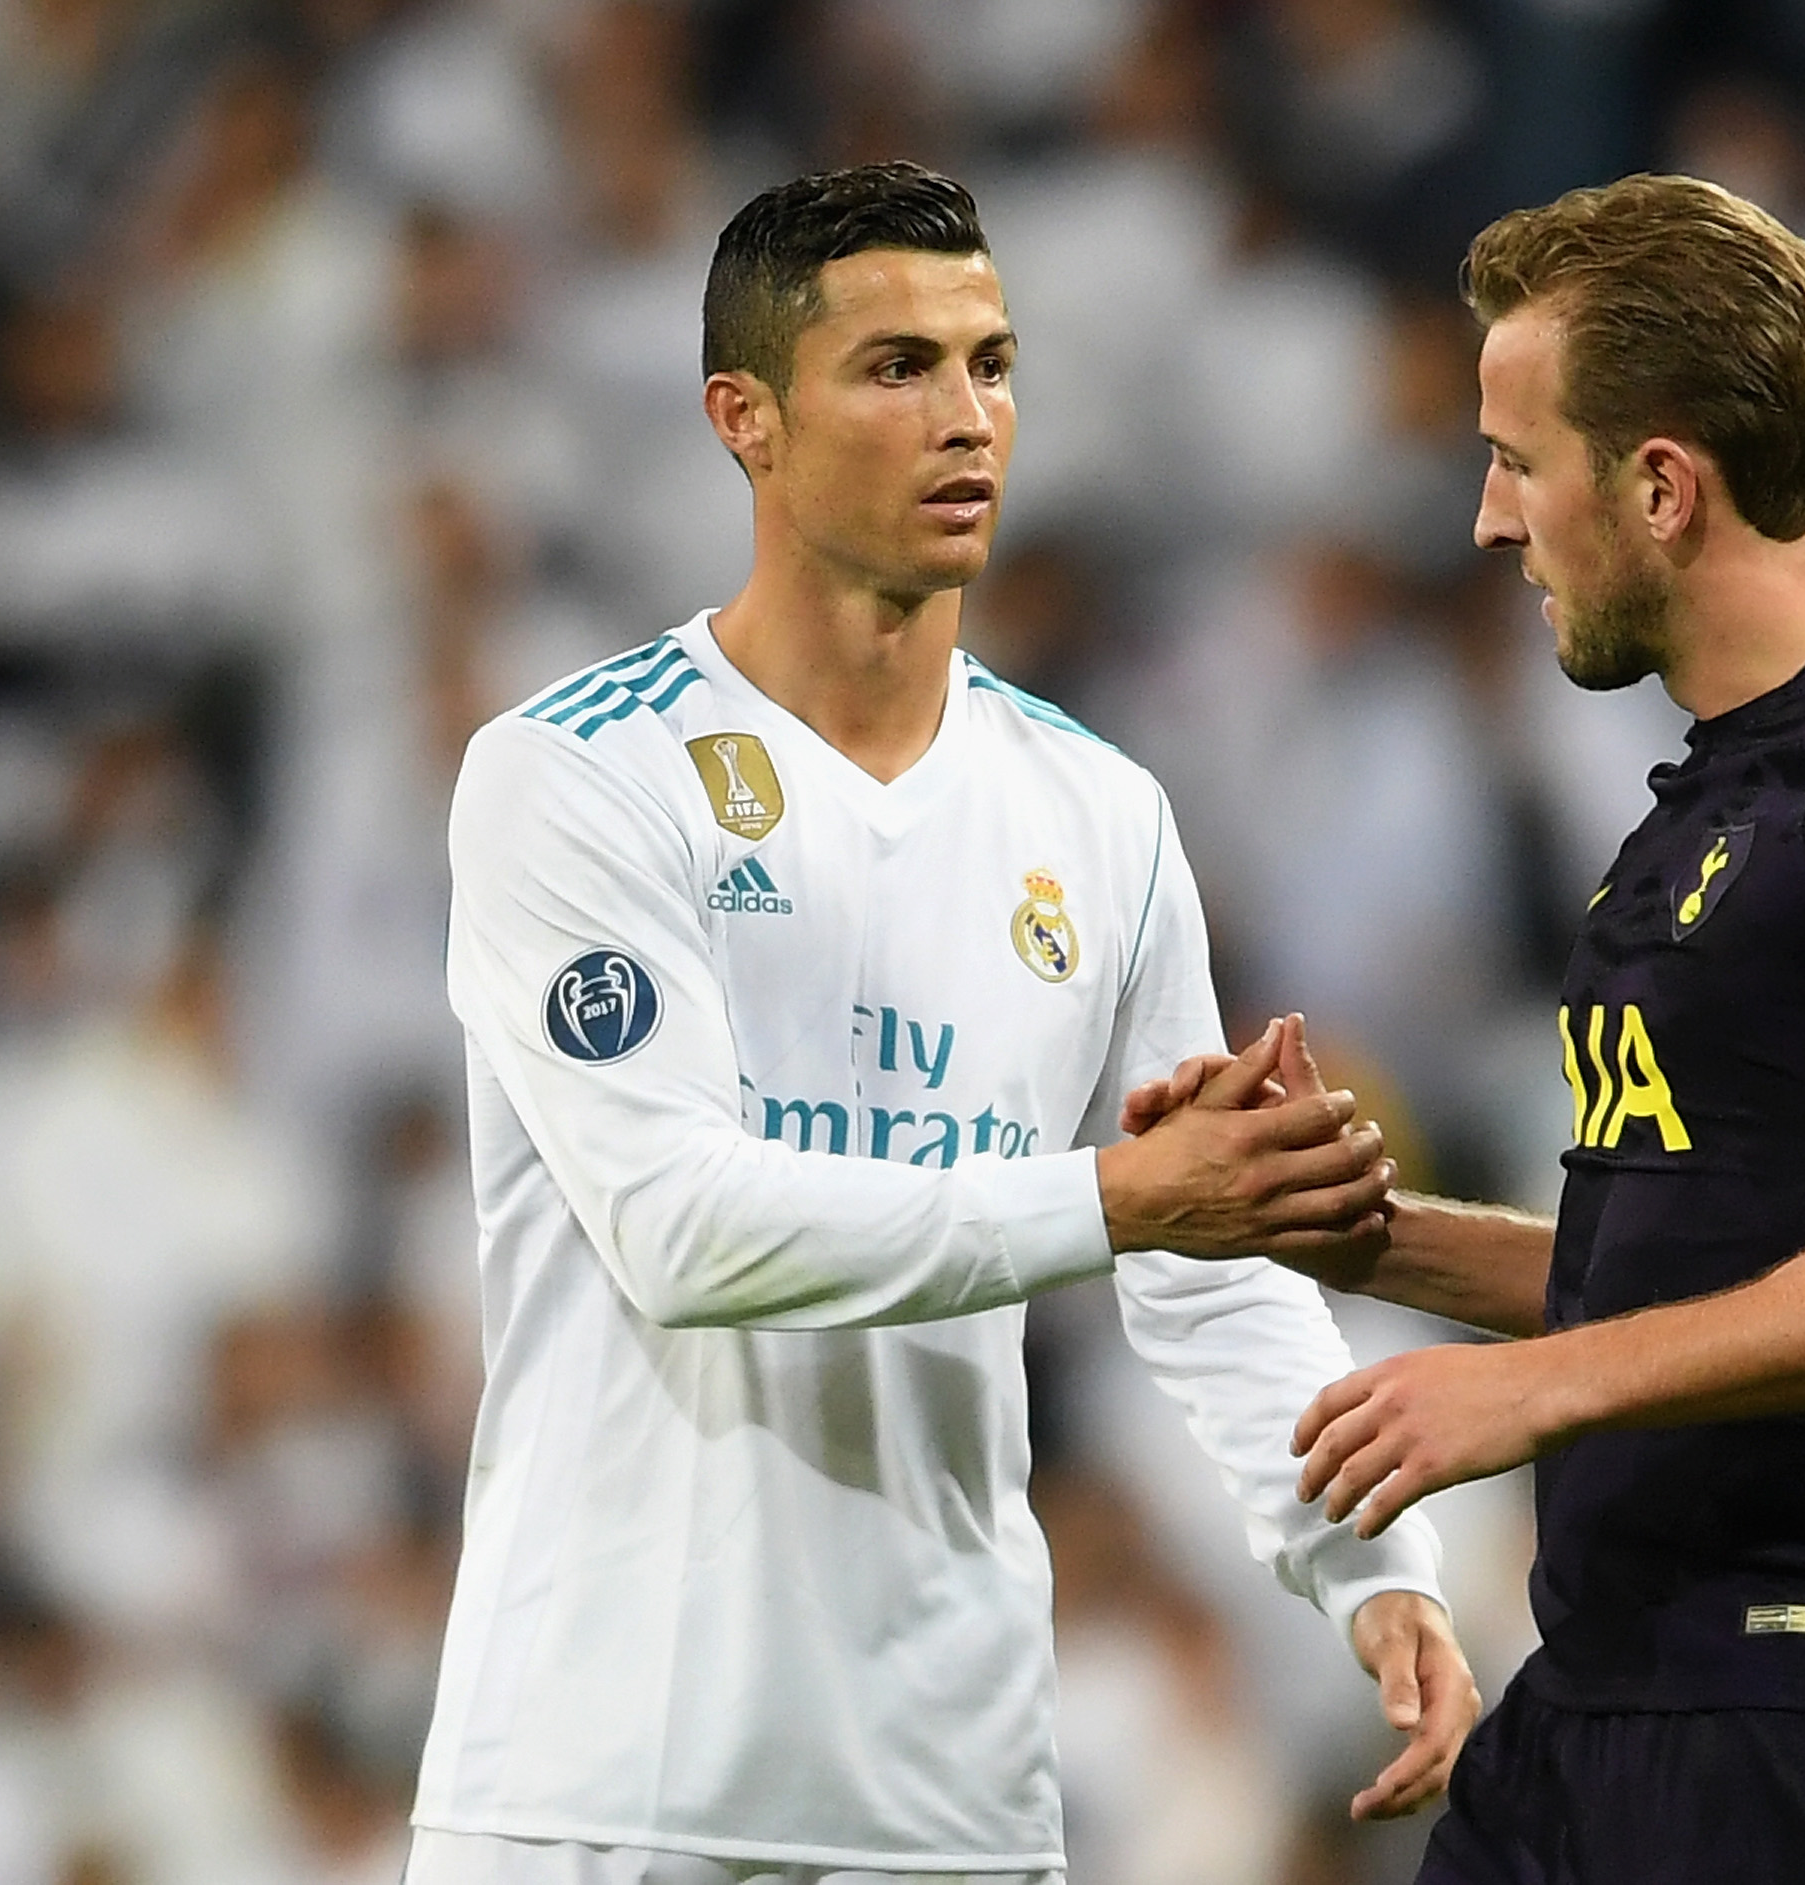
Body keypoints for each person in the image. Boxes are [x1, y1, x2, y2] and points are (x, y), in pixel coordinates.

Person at [405, 162, 1476, 1885]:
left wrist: (1365, 1562)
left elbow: (1213, 1255)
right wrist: (1119, 1202)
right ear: (742, 419)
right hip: (607, 1776)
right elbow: (683, 1232)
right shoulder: (573, 776)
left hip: (950, 1799)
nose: (968, 417)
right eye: (898, 368)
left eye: (992, 362)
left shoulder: (1099, 811)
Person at [1130, 174, 1805, 1882]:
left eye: (1518, 459)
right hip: (1604, 1703)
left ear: (1661, 487)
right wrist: (1345, 1229)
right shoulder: (1692, 809)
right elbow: (1679, 1263)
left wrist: (1543, 1390)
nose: (1490, 521)